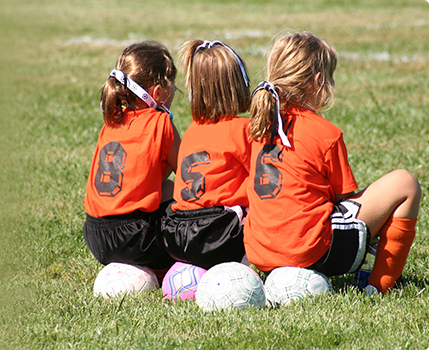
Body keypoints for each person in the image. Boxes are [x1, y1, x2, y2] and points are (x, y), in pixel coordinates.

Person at [244, 32, 421, 294]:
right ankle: (379, 284)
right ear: (317, 82)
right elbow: (343, 197)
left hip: (260, 252)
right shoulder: (324, 133)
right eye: (330, 77)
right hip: (312, 252)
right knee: (405, 183)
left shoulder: (257, 126)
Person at [83, 41, 181, 281]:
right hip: (135, 239)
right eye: (172, 84)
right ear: (158, 93)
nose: (176, 90)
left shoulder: (112, 120)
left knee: (167, 188)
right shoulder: (161, 123)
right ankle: (163, 270)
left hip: (96, 237)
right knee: (185, 209)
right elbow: (189, 179)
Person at [160, 40, 252, 270]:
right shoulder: (244, 129)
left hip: (177, 235)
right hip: (218, 235)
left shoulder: (193, 129)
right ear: (239, 84)